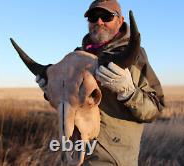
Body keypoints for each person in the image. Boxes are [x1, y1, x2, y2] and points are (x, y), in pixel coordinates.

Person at [36, 0, 165, 165]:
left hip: (112, 159)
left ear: (120, 20)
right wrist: (51, 90)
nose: (99, 21)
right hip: (74, 155)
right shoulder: (75, 57)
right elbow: (68, 100)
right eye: (93, 17)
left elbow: (155, 109)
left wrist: (130, 93)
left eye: (107, 16)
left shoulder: (135, 57)